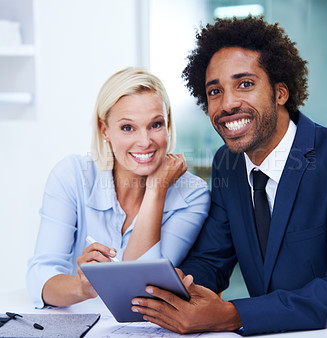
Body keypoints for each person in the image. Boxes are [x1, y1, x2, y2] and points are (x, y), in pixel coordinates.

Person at [130, 16, 327, 335]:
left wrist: (233, 315)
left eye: (245, 84)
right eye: (215, 91)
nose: (227, 104)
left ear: (280, 92)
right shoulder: (227, 162)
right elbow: (212, 259)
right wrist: (174, 294)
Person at [26, 67, 210, 308]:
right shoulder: (71, 176)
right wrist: (82, 287)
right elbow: (41, 278)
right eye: (127, 128)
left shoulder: (192, 193)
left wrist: (156, 189)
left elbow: (139, 285)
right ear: (105, 130)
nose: (145, 142)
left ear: (167, 125)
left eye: (155, 125)